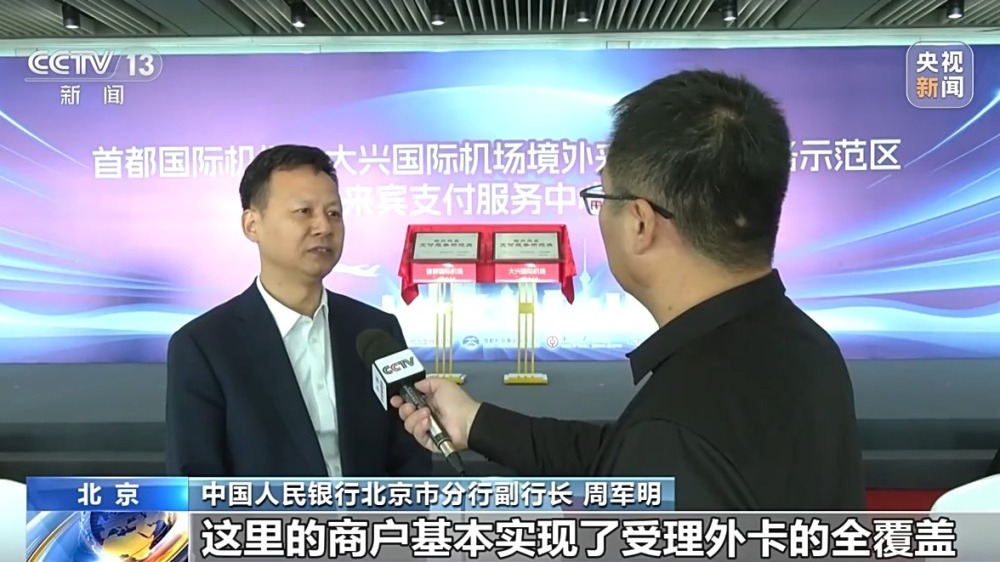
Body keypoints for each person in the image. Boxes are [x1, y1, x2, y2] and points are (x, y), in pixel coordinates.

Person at [391, 70, 865, 510]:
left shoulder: (677, 429)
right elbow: (622, 459)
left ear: (640, 222)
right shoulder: (804, 344)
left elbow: (652, 457)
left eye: (603, 195)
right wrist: (474, 421)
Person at [166, 144, 430, 477]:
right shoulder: (204, 346)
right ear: (252, 224)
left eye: (334, 213)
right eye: (304, 211)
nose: (324, 227)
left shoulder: (376, 332)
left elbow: (410, 461)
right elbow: (196, 482)